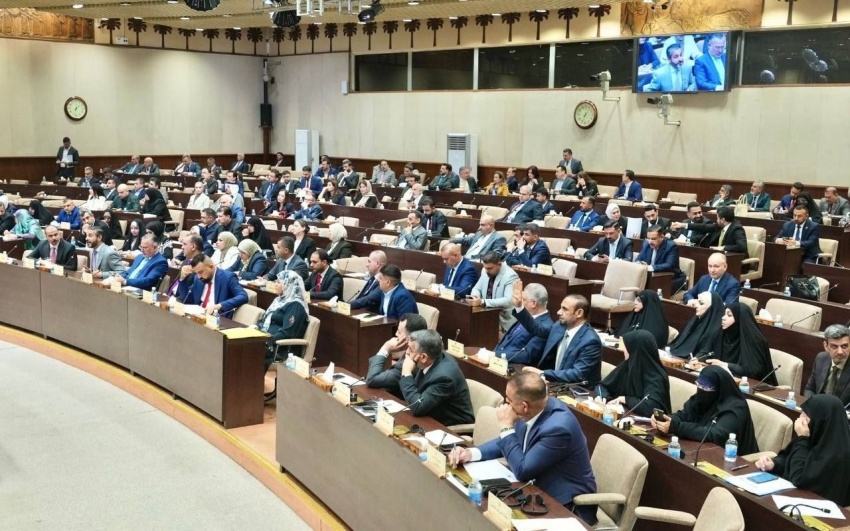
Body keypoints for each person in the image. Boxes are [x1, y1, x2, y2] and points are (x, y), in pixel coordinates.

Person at [449, 373, 597, 523]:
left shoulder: (558, 428)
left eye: (509, 400)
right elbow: (509, 440)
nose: (505, 405)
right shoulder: (533, 409)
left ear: (524, 406)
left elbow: (522, 470)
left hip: (564, 505)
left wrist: (506, 426)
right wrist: (470, 453)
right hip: (533, 489)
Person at [756, 395, 850, 506]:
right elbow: (790, 458)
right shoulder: (815, 435)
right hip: (792, 499)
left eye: (806, 415)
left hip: (817, 510)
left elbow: (799, 478)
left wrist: (802, 438)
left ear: (820, 420)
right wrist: (774, 465)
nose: (800, 417)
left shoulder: (838, 454)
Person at [652, 366, 758, 455]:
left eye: (706, 388)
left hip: (735, 460)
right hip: (702, 450)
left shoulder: (736, 408)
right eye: (699, 385)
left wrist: (676, 427)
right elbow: (684, 415)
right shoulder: (700, 398)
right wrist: (666, 420)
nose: (701, 390)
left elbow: (715, 435)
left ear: (719, 388)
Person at [520, 293, 602, 385]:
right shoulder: (559, 326)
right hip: (554, 383)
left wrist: (542, 373)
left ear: (579, 313)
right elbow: (537, 329)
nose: (558, 312)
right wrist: (519, 307)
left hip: (577, 388)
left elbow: (577, 374)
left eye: (564, 309)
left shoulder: (591, 341)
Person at [398, 329, 474, 426]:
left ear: (423, 357)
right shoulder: (433, 357)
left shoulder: (444, 378)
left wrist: (406, 372)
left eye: (410, 349)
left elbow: (417, 407)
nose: (407, 352)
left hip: (452, 427)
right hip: (431, 413)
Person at [259, 271, 310, 399]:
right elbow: (265, 319)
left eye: (279, 282)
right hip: (267, 339)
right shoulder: (280, 300)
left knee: (252, 350)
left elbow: (287, 332)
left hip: (281, 348)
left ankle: (250, 390)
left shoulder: (296, 305)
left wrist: (266, 340)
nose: (275, 284)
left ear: (288, 285)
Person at [599, 330, 673, 416]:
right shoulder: (628, 365)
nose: (623, 350)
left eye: (627, 347)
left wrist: (625, 399)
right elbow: (602, 386)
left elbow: (651, 407)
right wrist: (604, 397)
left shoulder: (657, 377)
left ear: (636, 350)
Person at [706, 302, 777, 385]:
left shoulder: (755, 340)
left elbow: (753, 371)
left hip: (752, 385)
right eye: (724, 314)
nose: (723, 318)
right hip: (725, 379)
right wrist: (699, 360)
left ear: (740, 319)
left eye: (729, 315)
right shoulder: (720, 334)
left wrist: (725, 365)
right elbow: (708, 353)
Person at [365, 313, 429, 396]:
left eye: (399, 332)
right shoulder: (425, 348)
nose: (396, 334)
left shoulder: (412, 359)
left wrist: (385, 349)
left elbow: (372, 380)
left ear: (409, 338)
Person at [497, 281, 553, 365]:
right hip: (498, 362)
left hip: (514, 367)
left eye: (523, 299)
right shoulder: (526, 316)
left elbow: (527, 356)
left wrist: (496, 355)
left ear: (533, 303)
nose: (520, 302)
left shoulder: (546, 327)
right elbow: (507, 340)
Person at [177, 255, 249, 318]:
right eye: (197, 273)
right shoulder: (198, 278)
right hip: (198, 316)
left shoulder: (227, 277)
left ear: (211, 267)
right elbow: (186, 299)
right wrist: (182, 279)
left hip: (216, 318)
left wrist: (219, 306)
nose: (199, 276)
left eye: (201, 272)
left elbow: (243, 296)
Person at [469, 251, 520, 332]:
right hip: (485, 314)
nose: (486, 271)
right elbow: (476, 289)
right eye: (485, 267)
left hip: (502, 319)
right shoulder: (485, 270)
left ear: (499, 264)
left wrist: (482, 302)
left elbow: (508, 301)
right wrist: (475, 297)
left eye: (489, 268)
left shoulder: (510, 276)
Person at [668, 292, 725, 358]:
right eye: (697, 301)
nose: (696, 305)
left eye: (701, 303)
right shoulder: (694, 321)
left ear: (711, 308)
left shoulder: (716, 331)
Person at [804, 324, 850, 403]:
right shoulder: (821, 359)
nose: (840, 352)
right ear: (826, 346)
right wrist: (813, 404)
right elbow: (809, 389)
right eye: (834, 346)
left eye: (844, 346)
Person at [636, 225, 687, 293]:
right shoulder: (646, 243)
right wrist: (639, 264)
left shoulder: (671, 246)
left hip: (669, 279)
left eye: (653, 239)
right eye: (648, 238)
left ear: (662, 237)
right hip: (650, 277)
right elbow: (638, 259)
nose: (650, 242)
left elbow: (669, 265)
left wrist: (648, 267)